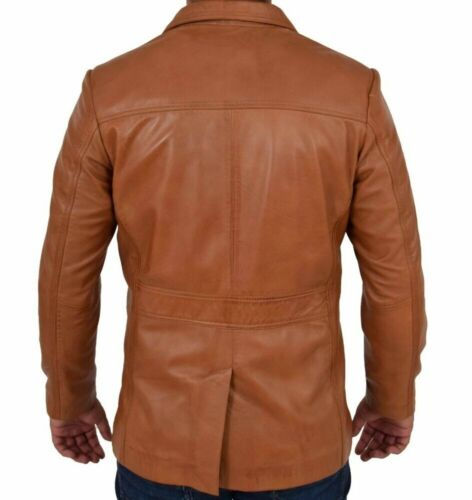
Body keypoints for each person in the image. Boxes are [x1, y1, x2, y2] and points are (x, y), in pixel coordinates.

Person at [38, 1, 427, 499]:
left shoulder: (110, 91)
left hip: (161, 434)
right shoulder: (353, 92)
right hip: (301, 438)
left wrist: (69, 398)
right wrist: (392, 399)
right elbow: (395, 278)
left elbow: (66, 275)